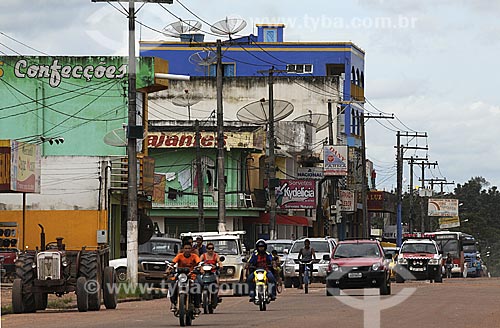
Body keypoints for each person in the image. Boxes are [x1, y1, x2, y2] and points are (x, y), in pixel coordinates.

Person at [166, 241, 202, 316]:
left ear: (191, 249)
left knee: (197, 287)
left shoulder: (194, 256)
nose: (187, 250)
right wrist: (169, 269)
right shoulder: (179, 256)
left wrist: (200, 269)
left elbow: (199, 264)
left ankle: (196, 306)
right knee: (172, 285)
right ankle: (173, 303)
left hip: (191, 275)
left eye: (189, 248)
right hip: (180, 276)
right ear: (183, 249)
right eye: (186, 248)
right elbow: (172, 263)